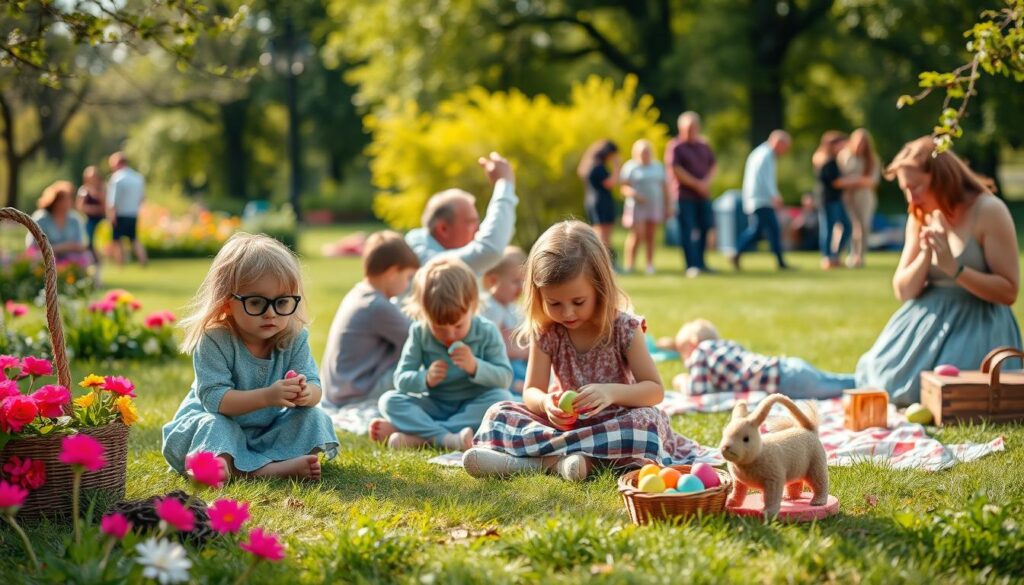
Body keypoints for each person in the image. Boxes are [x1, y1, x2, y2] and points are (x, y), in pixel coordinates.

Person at [462, 221, 702, 482]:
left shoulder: (624, 328)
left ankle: (535, 463)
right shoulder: (548, 333)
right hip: (564, 426)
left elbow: (654, 390)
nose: (567, 313)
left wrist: (610, 392)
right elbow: (531, 391)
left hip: (614, 423)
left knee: (648, 422)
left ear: (600, 288)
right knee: (498, 413)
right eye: (554, 303)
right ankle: (564, 463)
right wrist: (546, 403)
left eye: (578, 302)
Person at [856, 136, 1021, 406]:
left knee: (949, 393)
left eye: (917, 186)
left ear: (942, 178)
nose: (911, 197)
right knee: (884, 385)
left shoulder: (989, 210)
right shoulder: (919, 213)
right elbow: (904, 289)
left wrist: (954, 269)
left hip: (978, 320)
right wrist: (925, 253)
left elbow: (1009, 291)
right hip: (925, 318)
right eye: (904, 189)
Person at [162, 233, 339, 480]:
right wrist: (268, 396)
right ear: (225, 303)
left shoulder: (294, 337)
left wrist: (305, 393)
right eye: (256, 303)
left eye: (282, 302)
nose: (271, 314)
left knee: (313, 417)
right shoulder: (215, 338)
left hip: (265, 429)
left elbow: (315, 386)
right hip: (217, 423)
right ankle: (260, 469)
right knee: (216, 427)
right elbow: (215, 400)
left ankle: (250, 467)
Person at [370, 257, 514, 450]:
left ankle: (421, 437)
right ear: (424, 313)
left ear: (472, 306)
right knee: (389, 400)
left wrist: (475, 366)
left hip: (473, 404)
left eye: (458, 326)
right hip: (435, 405)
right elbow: (401, 379)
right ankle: (446, 437)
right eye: (439, 328)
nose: (450, 335)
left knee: (501, 399)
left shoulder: (486, 331)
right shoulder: (420, 332)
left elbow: (504, 378)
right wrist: (425, 378)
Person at [320, 231, 421, 408]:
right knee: (420, 365)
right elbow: (417, 337)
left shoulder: (359, 294)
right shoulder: (376, 305)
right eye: (408, 277)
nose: (408, 285)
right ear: (392, 272)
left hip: (339, 389)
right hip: (356, 392)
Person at [671, 319, 856, 399]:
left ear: (693, 344)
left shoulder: (700, 352)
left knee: (841, 389)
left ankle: (878, 386)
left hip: (786, 381)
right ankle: (870, 380)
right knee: (839, 380)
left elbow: (698, 390)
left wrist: (681, 382)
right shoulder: (726, 346)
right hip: (789, 366)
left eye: (683, 352)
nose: (685, 360)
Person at [406, 152, 518, 276]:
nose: (479, 230)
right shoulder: (419, 259)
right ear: (443, 229)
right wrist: (504, 183)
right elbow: (489, 250)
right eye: (470, 222)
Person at [732, 130, 791, 270]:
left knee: (757, 231)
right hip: (761, 199)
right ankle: (780, 262)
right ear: (778, 142)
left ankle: (736, 252)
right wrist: (775, 195)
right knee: (772, 230)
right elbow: (765, 179)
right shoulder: (766, 155)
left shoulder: (762, 153)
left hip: (758, 198)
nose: (784, 151)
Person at [667, 112, 717, 277]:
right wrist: (697, 184)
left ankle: (702, 263)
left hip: (702, 196)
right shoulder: (675, 146)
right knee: (687, 230)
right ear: (681, 128)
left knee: (705, 227)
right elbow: (676, 169)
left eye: (693, 128)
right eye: (687, 128)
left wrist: (706, 183)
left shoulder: (704, 145)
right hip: (684, 196)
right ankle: (691, 264)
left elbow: (713, 165)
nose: (691, 131)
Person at [480, 246, 528, 393]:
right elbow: (493, 347)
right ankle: (514, 386)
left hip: (518, 362)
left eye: (523, 281)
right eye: (515, 281)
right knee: (508, 369)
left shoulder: (512, 308)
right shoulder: (489, 308)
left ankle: (523, 386)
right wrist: (523, 352)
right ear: (493, 281)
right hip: (500, 365)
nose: (521, 287)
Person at [620, 139, 668, 274]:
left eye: (647, 152)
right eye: (642, 152)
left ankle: (649, 264)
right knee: (637, 235)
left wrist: (668, 206)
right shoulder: (630, 167)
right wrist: (634, 194)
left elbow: (665, 188)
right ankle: (630, 265)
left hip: (654, 206)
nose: (645, 155)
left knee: (651, 235)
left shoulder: (657, 167)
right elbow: (623, 187)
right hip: (637, 206)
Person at [839, 128, 880, 268]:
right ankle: (843, 255)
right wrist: (856, 181)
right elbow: (839, 178)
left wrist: (854, 181)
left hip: (864, 196)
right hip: (847, 196)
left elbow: (872, 181)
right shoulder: (844, 155)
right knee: (847, 226)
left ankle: (859, 257)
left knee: (863, 226)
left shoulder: (872, 159)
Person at [812, 131, 852, 269]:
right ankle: (828, 257)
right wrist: (855, 181)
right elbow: (834, 182)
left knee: (846, 226)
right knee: (828, 229)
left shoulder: (832, 159)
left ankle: (833, 256)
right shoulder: (827, 161)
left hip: (835, 199)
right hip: (828, 199)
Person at [26, 180, 91, 265]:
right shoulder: (41, 219)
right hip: (47, 258)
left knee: (86, 257)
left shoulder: (74, 220)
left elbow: (81, 245)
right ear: (54, 201)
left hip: (70, 259)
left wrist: (72, 248)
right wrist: (63, 247)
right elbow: (33, 247)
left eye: (69, 199)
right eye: (63, 200)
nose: (68, 203)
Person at [578, 140, 620, 258]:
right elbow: (610, 183)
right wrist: (617, 167)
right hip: (602, 202)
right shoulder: (599, 166)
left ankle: (600, 260)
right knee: (604, 234)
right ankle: (605, 260)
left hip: (592, 201)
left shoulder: (590, 164)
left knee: (597, 232)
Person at [106, 152, 148, 266]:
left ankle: (120, 264)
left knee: (117, 240)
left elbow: (112, 201)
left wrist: (111, 215)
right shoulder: (138, 178)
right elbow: (142, 198)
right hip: (133, 213)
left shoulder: (116, 178)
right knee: (134, 239)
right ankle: (143, 261)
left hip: (120, 213)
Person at [76, 166, 106, 264]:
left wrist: (96, 195)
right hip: (89, 220)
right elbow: (80, 208)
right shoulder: (83, 190)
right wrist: (93, 209)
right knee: (88, 239)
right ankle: (94, 260)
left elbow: (105, 207)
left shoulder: (102, 189)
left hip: (102, 219)